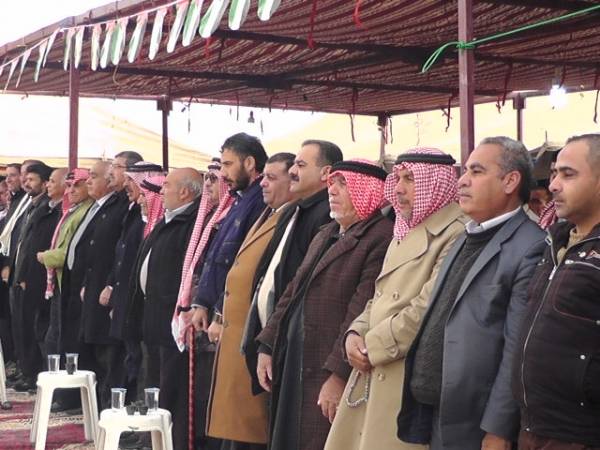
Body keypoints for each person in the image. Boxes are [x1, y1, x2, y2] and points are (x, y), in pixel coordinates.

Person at [397, 136, 546, 450]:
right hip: (436, 411)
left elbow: (517, 348)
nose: (463, 181)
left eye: (476, 172)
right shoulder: (467, 235)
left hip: (475, 423)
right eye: (464, 171)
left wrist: (498, 428)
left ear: (510, 181)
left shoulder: (529, 246)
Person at [325, 149, 466, 450]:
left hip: (400, 372)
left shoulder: (455, 233)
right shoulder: (404, 228)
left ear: (435, 184)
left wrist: (371, 346)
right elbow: (378, 296)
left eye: (410, 179)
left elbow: (427, 308)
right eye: (398, 178)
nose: (399, 188)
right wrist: (354, 333)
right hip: (373, 365)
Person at [256, 159, 393, 450]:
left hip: (325, 366)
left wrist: (337, 375)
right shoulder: (327, 232)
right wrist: (267, 344)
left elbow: (361, 310)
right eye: (332, 183)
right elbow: (292, 291)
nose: (332, 190)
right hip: (294, 360)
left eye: (344, 184)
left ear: (367, 190)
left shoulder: (380, 237)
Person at [512, 133, 600, 450]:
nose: (553, 186)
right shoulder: (555, 241)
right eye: (554, 174)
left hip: (581, 435)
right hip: (534, 428)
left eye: (568, 174)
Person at [206, 153, 297, 450]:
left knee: (250, 430)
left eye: (272, 178)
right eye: (264, 177)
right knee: (236, 430)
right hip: (237, 332)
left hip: (258, 337)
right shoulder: (268, 213)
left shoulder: (291, 217)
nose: (263, 184)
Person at [242, 140, 343, 393]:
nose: (292, 172)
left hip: (295, 342)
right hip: (273, 336)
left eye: (300, 165)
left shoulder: (326, 216)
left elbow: (302, 284)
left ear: (325, 173)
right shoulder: (292, 211)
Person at [126, 167, 202, 450]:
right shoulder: (167, 220)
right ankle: (150, 437)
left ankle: (168, 442)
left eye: (167, 185)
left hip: (171, 321)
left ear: (184, 191)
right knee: (153, 383)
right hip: (152, 317)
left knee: (170, 389)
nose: (161, 191)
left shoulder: (191, 223)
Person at [61, 160, 130, 409]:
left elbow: (118, 251)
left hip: (107, 291)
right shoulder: (103, 205)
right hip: (90, 288)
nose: (89, 181)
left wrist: (110, 285)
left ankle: (106, 409)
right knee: (93, 352)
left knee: (108, 358)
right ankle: (93, 407)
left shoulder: (121, 206)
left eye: (93, 176)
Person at [100, 162, 164, 405]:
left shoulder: (149, 221)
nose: (127, 185)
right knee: (130, 359)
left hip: (143, 307)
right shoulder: (135, 214)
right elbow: (121, 256)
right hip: (128, 301)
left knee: (139, 362)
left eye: (131, 181)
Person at [39, 169, 93, 355]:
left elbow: (71, 252)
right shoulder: (75, 210)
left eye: (77, 186)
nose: (71, 190)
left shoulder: (85, 211)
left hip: (71, 283)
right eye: (69, 186)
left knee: (59, 339)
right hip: (61, 282)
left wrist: (45, 257)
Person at [10, 163, 55, 390]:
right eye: (25, 179)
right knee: (21, 327)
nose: (26, 183)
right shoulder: (31, 206)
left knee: (33, 327)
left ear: (44, 184)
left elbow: (37, 246)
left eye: (32, 179)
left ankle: (32, 373)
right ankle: (25, 369)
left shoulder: (47, 209)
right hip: (19, 276)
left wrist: (26, 275)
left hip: (34, 279)